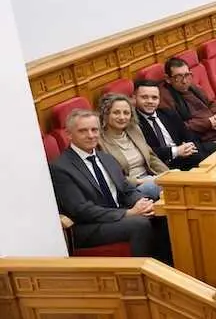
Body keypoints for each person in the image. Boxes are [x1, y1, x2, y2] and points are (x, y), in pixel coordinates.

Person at [50, 109, 162, 258]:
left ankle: (170, 267)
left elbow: (127, 190)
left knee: (160, 213)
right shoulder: (60, 167)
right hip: (87, 227)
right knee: (139, 224)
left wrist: (142, 203)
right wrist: (127, 213)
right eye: (83, 131)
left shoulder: (106, 158)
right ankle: (142, 276)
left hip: (116, 214)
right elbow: (81, 210)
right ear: (69, 134)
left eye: (94, 130)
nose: (90, 135)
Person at [97, 93, 168, 201]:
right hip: (130, 188)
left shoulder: (134, 129)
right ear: (106, 114)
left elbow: (152, 157)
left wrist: (168, 174)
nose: (122, 117)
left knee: (179, 179)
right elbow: (110, 177)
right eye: (116, 113)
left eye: (126, 113)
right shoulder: (99, 141)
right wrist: (142, 181)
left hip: (151, 178)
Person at [158, 57, 216, 147]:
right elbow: (178, 127)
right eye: (178, 77)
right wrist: (208, 123)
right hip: (202, 142)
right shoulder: (165, 98)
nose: (184, 81)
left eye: (187, 75)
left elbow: (212, 103)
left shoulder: (193, 87)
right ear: (168, 79)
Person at [132, 79, 207, 168]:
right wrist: (175, 151)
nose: (150, 101)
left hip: (183, 156)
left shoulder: (168, 114)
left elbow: (188, 136)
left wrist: (190, 147)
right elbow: (146, 152)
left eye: (154, 97)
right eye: (144, 97)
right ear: (134, 98)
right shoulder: (133, 123)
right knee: (200, 160)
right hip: (161, 165)